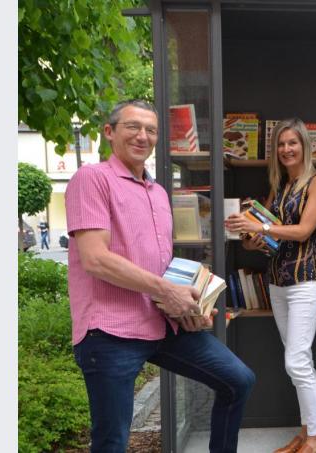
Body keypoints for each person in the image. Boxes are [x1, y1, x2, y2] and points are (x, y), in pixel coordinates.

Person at [65, 99, 255, 453]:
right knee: (112, 441)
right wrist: (167, 291)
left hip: (162, 324)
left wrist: (191, 299)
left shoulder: (158, 192)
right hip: (110, 331)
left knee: (238, 380)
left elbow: (159, 262)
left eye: (151, 130)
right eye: (132, 127)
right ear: (109, 132)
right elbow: (95, 260)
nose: (143, 136)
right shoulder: (91, 178)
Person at [225, 118, 316, 453]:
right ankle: (305, 432)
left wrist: (263, 228)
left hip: (306, 281)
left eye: (292, 143)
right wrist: (250, 237)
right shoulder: (280, 186)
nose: (286, 149)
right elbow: (267, 241)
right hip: (278, 283)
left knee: (296, 361)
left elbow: (302, 231)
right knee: (299, 360)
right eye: (281, 144)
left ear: (304, 146)